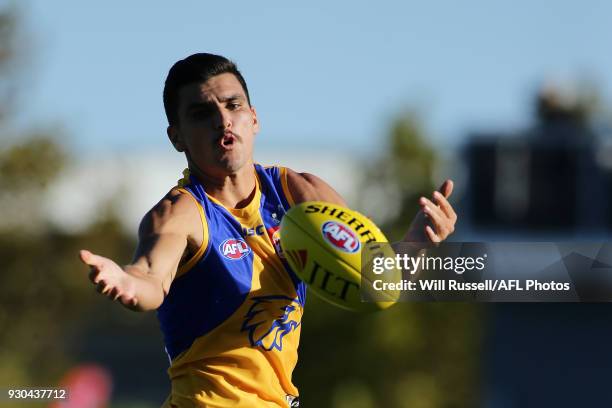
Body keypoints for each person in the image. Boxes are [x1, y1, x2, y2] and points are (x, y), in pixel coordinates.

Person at [79, 53, 457, 407]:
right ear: (176, 137)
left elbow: (375, 281)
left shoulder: (299, 193)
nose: (223, 120)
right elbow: (150, 277)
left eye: (233, 105)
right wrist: (128, 282)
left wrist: (417, 243)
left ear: (254, 118)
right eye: (201, 113)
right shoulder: (181, 214)